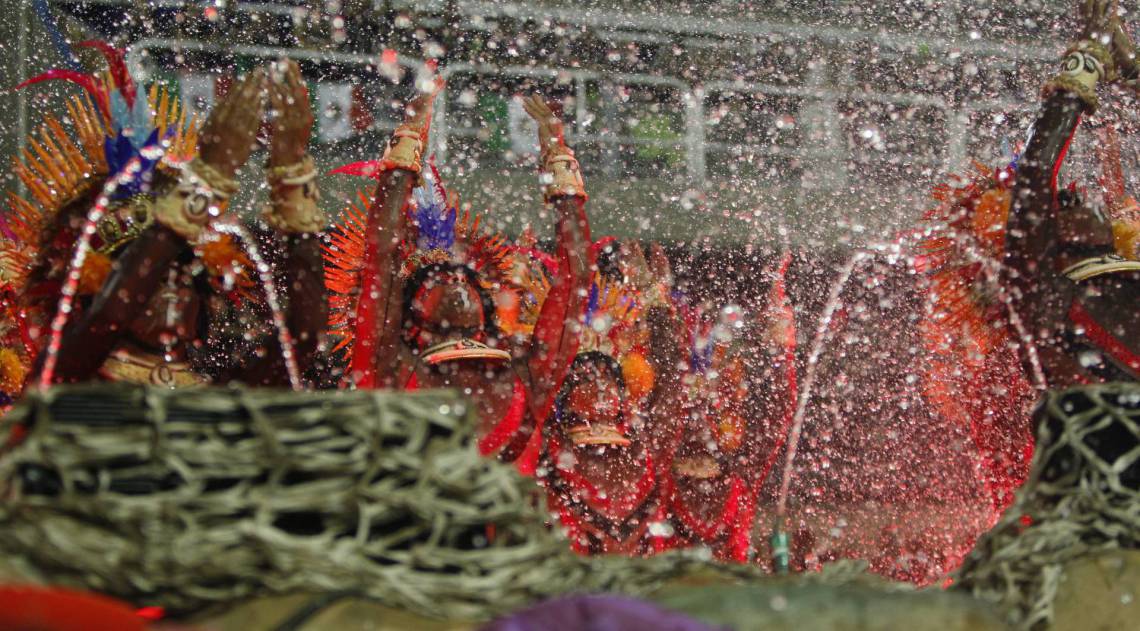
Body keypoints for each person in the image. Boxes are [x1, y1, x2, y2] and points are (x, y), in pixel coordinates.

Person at [1, 49, 328, 389]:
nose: (173, 289)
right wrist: (207, 181)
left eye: (186, 277)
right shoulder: (65, 375)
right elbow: (108, 319)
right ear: (100, 291)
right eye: (153, 278)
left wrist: (292, 177)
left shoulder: (221, 393)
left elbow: (307, 335)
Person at [325, 82, 591, 462]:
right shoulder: (390, 370)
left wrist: (558, 156)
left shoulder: (526, 379)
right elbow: (381, 256)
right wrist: (408, 139)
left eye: (463, 274)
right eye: (434, 276)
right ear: (408, 314)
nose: (456, 277)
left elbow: (576, 280)